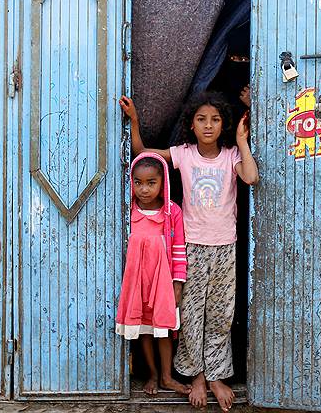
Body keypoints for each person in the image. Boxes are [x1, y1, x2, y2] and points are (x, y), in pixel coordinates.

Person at [119, 92, 259, 412]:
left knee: (221, 316)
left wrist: (241, 139)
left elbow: (251, 176)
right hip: (192, 246)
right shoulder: (184, 155)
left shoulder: (231, 155)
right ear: (191, 125)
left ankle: (217, 377)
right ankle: (196, 375)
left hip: (225, 246)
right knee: (192, 316)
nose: (208, 126)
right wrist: (136, 120)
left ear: (223, 124)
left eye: (215, 120)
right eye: (201, 119)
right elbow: (142, 153)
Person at [115, 153, 192, 396]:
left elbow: (179, 248)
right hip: (137, 281)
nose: (144, 189)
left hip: (162, 281)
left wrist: (178, 282)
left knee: (164, 330)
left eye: (151, 183)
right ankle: (152, 374)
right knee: (144, 329)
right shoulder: (128, 211)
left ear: (163, 183)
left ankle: (168, 376)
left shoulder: (171, 213)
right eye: (138, 183)